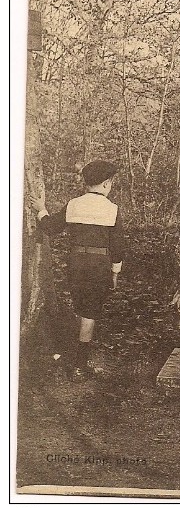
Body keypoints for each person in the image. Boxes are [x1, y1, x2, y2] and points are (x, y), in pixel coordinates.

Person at [31, 160, 125, 381]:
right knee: (89, 314)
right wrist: (115, 273)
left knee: (81, 307)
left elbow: (51, 228)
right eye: (111, 182)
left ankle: (72, 357)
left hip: (75, 263)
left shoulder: (74, 204)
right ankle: (80, 365)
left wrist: (42, 210)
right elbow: (118, 246)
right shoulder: (112, 210)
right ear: (106, 184)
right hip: (98, 263)